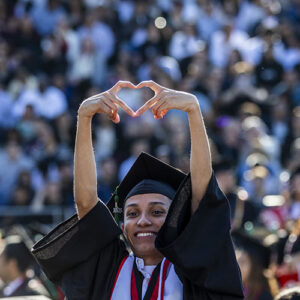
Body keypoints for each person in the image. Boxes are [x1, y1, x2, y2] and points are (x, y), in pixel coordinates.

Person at [31, 80, 244, 299]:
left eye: (157, 211)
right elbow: (86, 204)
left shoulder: (190, 272)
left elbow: (203, 200)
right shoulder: (111, 270)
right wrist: (85, 118)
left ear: (176, 222)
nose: (143, 221)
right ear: (122, 228)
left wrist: (193, 111)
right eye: (132, 213)